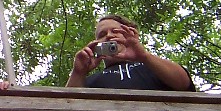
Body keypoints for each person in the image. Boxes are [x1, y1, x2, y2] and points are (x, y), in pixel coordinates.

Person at [66, 14, 194, 91]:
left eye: (115, 31)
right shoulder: (89, 81)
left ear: (129, 34)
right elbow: (68, 107)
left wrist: (143, 56)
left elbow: (183, 83)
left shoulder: (154, 67)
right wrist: (78, 72)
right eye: (102, 35)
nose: (109, 36)